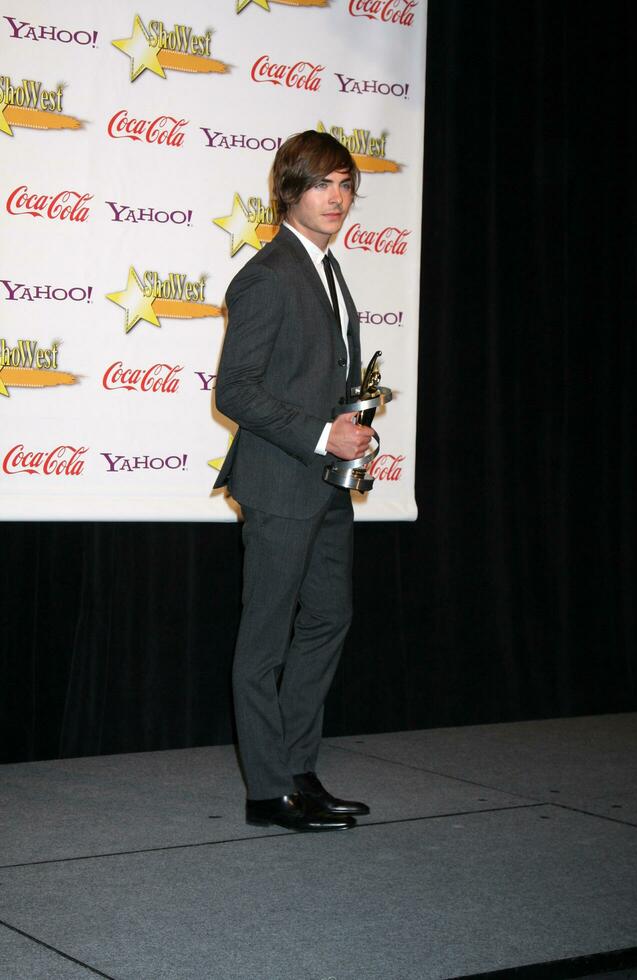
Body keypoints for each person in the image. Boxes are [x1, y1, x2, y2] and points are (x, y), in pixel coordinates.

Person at [214, 130, 374, 832]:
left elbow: (320, 378)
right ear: (290, 191)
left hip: (327, 485)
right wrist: (319, 435)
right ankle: (266, 792)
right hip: (281, 485)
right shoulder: (269, 272)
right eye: (323, 184)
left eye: (346, 185)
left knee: (328, 619)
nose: (337, 198)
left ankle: (298, 770)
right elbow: (235, 392)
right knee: (265, 639)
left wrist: (354, 429)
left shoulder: (328, 270)